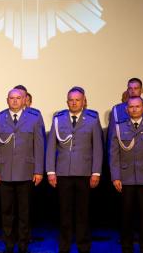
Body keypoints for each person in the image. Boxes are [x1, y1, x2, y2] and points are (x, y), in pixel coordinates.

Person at [46, 86, 103, 253]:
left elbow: (97, 148)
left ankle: (83, 246)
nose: (74, 103)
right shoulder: (58, 119)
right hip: (63, 173)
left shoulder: (92, 120)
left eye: (77, 100)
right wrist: (50, 171)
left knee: (82, 213)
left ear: (84, 101)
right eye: (71, 100)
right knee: (64, 212)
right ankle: (64, 246)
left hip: (85, 173)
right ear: (67, 101)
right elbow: (50, 147)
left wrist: (96, 172)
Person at [0, 88, 46, 253]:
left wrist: (39, 170)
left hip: (26, 171)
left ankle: (23, 244)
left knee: (24, 211)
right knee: (6, 211)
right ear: (7, 100)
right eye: (11, 98)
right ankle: (8, 244)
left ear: (24, 100)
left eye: (18, 98)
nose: (14, 101)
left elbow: (39, 144)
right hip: (4, 171)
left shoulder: (34, 117)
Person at [110, 96, 143, 253]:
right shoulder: (119, 128)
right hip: (125, 178)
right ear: (127, 109)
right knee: (126, 214)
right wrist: (115, 176)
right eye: (131, 107)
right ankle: (126, 246)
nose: (134, 109)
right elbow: (114, 154)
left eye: (138, 106)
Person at [107, 78, 143, 157]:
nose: (133, 91)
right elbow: (111, 137)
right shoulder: (117, 110)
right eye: (130, 88)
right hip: (125, 156)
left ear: (141, 90)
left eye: (136, 88)